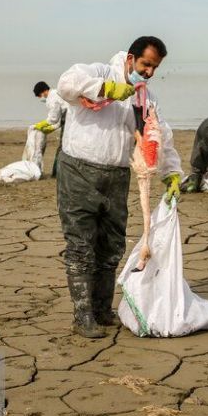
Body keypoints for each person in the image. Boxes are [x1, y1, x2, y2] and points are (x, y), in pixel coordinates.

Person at [55, 36, 183, 338]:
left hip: (117, 177)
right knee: (81, 246)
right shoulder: (98, 73)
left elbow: (158, 134)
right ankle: (83, 315)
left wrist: (172, 172)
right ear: (130, 59)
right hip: (78, 172)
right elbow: (66, 83)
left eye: (154, 68)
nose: (149, 72)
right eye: (145, 65)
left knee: (111, 248)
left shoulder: (144, 98)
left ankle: (102, 309)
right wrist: (106, 89)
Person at [30, 81, 70, 177]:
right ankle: (58, 173)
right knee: (65, 146)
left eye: (40, 95)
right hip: (69, 119)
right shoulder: (57, 93)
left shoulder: (52, 98)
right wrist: (52, 128)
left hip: (69, 119)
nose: (42, 97)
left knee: (62, 148)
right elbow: (60, 118)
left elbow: (53, 118)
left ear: (43, 91)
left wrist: (42, 124)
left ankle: (57, 173)